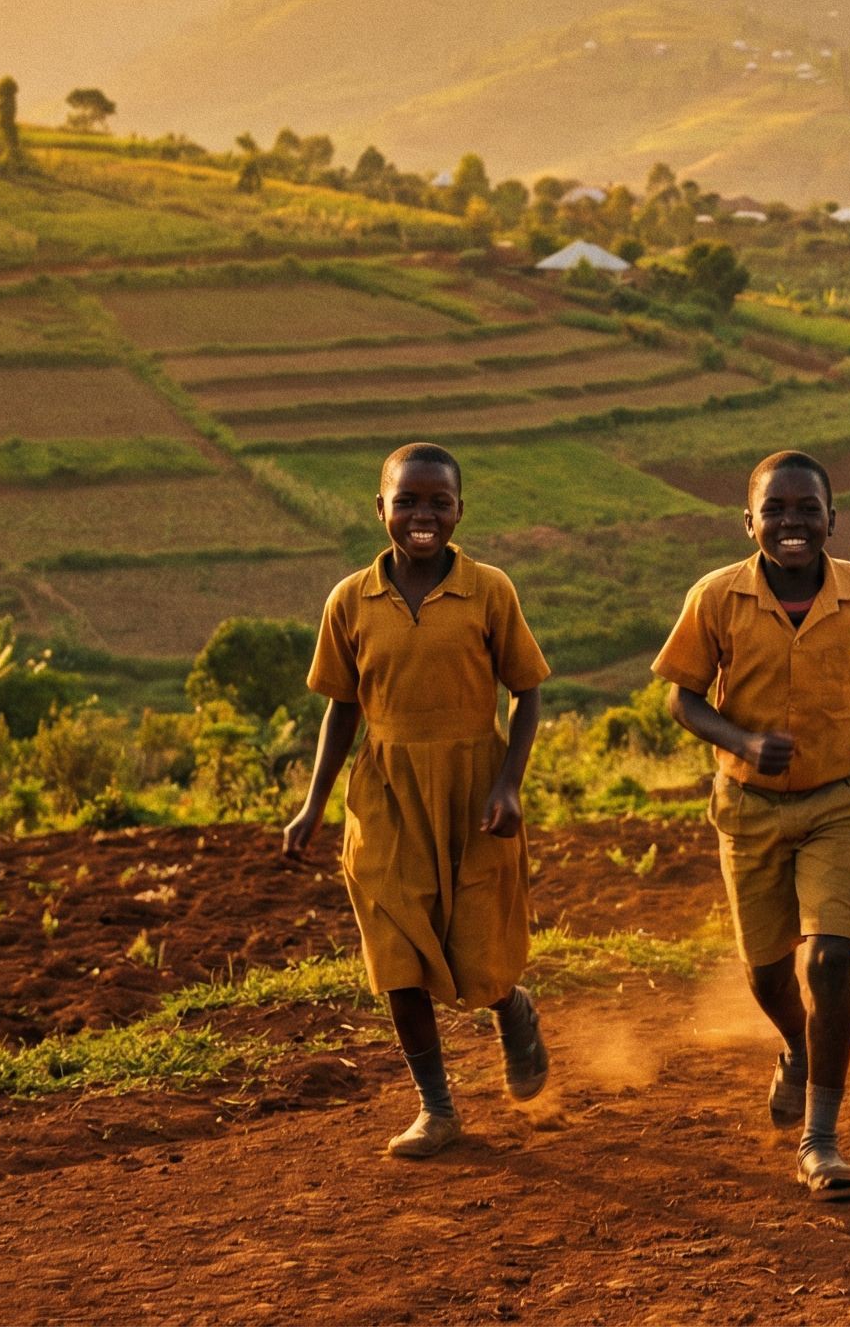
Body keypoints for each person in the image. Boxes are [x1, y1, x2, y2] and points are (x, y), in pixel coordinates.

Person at [654, 450, 850, 1202]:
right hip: (749, 809)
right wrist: (738, 741)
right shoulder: (716, 598)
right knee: (767, 971)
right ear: (750, 522)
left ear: (832, 519)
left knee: (829, 962)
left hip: (840, 799)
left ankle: (821, 1137)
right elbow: (681, 696)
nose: (792, 523)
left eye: (808, 509)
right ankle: (797, 1049)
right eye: (776, 510)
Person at [283, 442, 551, 1161]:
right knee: (396, 950)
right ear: (382, 510)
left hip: (474, 787)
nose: (422, 515)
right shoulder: (350, 600)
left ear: (461, 510)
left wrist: (508, 784)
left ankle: (510, 1006)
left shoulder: (489, 590)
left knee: (476, 954)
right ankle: (436, 1108)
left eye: (438, 501)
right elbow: (341, 707)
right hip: (386, 792)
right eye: (407, 501)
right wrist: (313, 805)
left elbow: (527, 692)